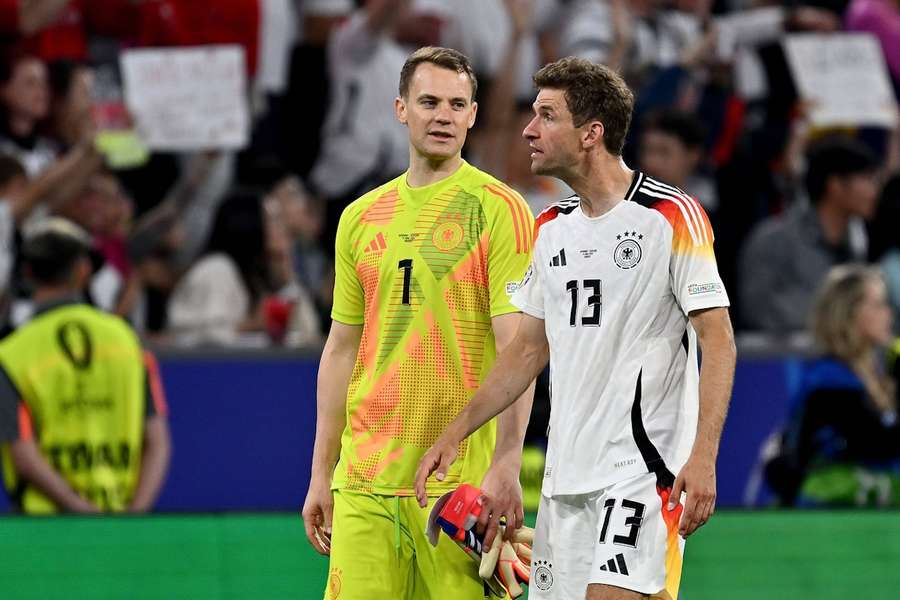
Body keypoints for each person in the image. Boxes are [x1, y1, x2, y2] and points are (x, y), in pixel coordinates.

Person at [416, 57, 736, 600]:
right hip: (567, 478)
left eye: (546, 116)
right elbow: (525, 352)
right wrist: (455, 432)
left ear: (591, 133)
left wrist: (702, 456)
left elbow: (718, 340)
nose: (528, 130)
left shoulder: (671, 216)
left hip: (641, 470)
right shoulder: (550, 228)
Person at [301, 46, 535, 599]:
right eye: (428, 101)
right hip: (364, 484)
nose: (443, 116)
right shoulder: (359, 218)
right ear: (401, 109)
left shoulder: (499, 209)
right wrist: (321, 471)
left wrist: (505, 464)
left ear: (474, 115)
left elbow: (519, 349)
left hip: (457, 489)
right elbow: (339, 350)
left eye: (457, 104)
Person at [0, 218, 170, 513]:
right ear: (83, 270)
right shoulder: (125, 340)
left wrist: (80, 510)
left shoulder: (11, 353)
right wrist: (136, 518)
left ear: (27, 273)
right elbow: (157, 441)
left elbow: (22, 452)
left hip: (45, 527)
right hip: (121, 521)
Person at [764, 265, 900, 507]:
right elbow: (876, 444)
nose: (889, 314)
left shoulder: (874, 377)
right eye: (878, 305)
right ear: (849, 315)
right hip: (829, 515)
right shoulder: (829, 383)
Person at [738, 135, 879, 333]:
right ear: (835, 185)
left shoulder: (857, 247)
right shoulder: (772, 240)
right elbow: (757, 311)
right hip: (784, 361)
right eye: (866, 180)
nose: (874, 191)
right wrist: (830, 320)